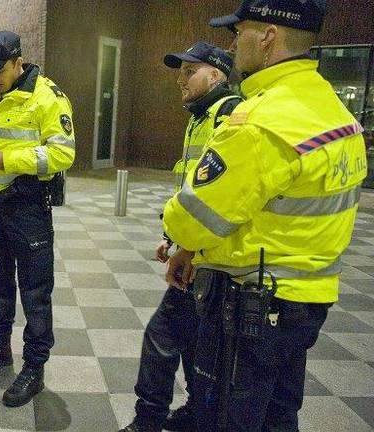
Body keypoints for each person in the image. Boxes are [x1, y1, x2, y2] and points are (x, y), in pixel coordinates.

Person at [162, 1, 367, 431]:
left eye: (240, 34)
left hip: (250, 306)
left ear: (268, 37)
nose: (233, 45)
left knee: (228, 418)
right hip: (308, 300)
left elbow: (191, 219)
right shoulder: (337, 114)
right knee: (277, 414)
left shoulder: (260, 121)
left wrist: (178, 228)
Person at [119, 41, 241, 432]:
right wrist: (173, 239)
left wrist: (186, 246)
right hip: (198, 252)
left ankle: (148, 420)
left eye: (191, 71)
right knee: (192, 339)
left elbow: (219, 198)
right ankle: (192, 412)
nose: (181, 79)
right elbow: (191, 192)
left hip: (214, 258)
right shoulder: (201, 116)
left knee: (163, 335)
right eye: (180, 71)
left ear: (216, 75)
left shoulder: (228, 115)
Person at [0, 30, 75, 408]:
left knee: (36, 292)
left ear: (18, 62)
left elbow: (61, 155)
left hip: (28, 209)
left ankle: (35, 369)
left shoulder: (48, 97)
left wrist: (6, 159)